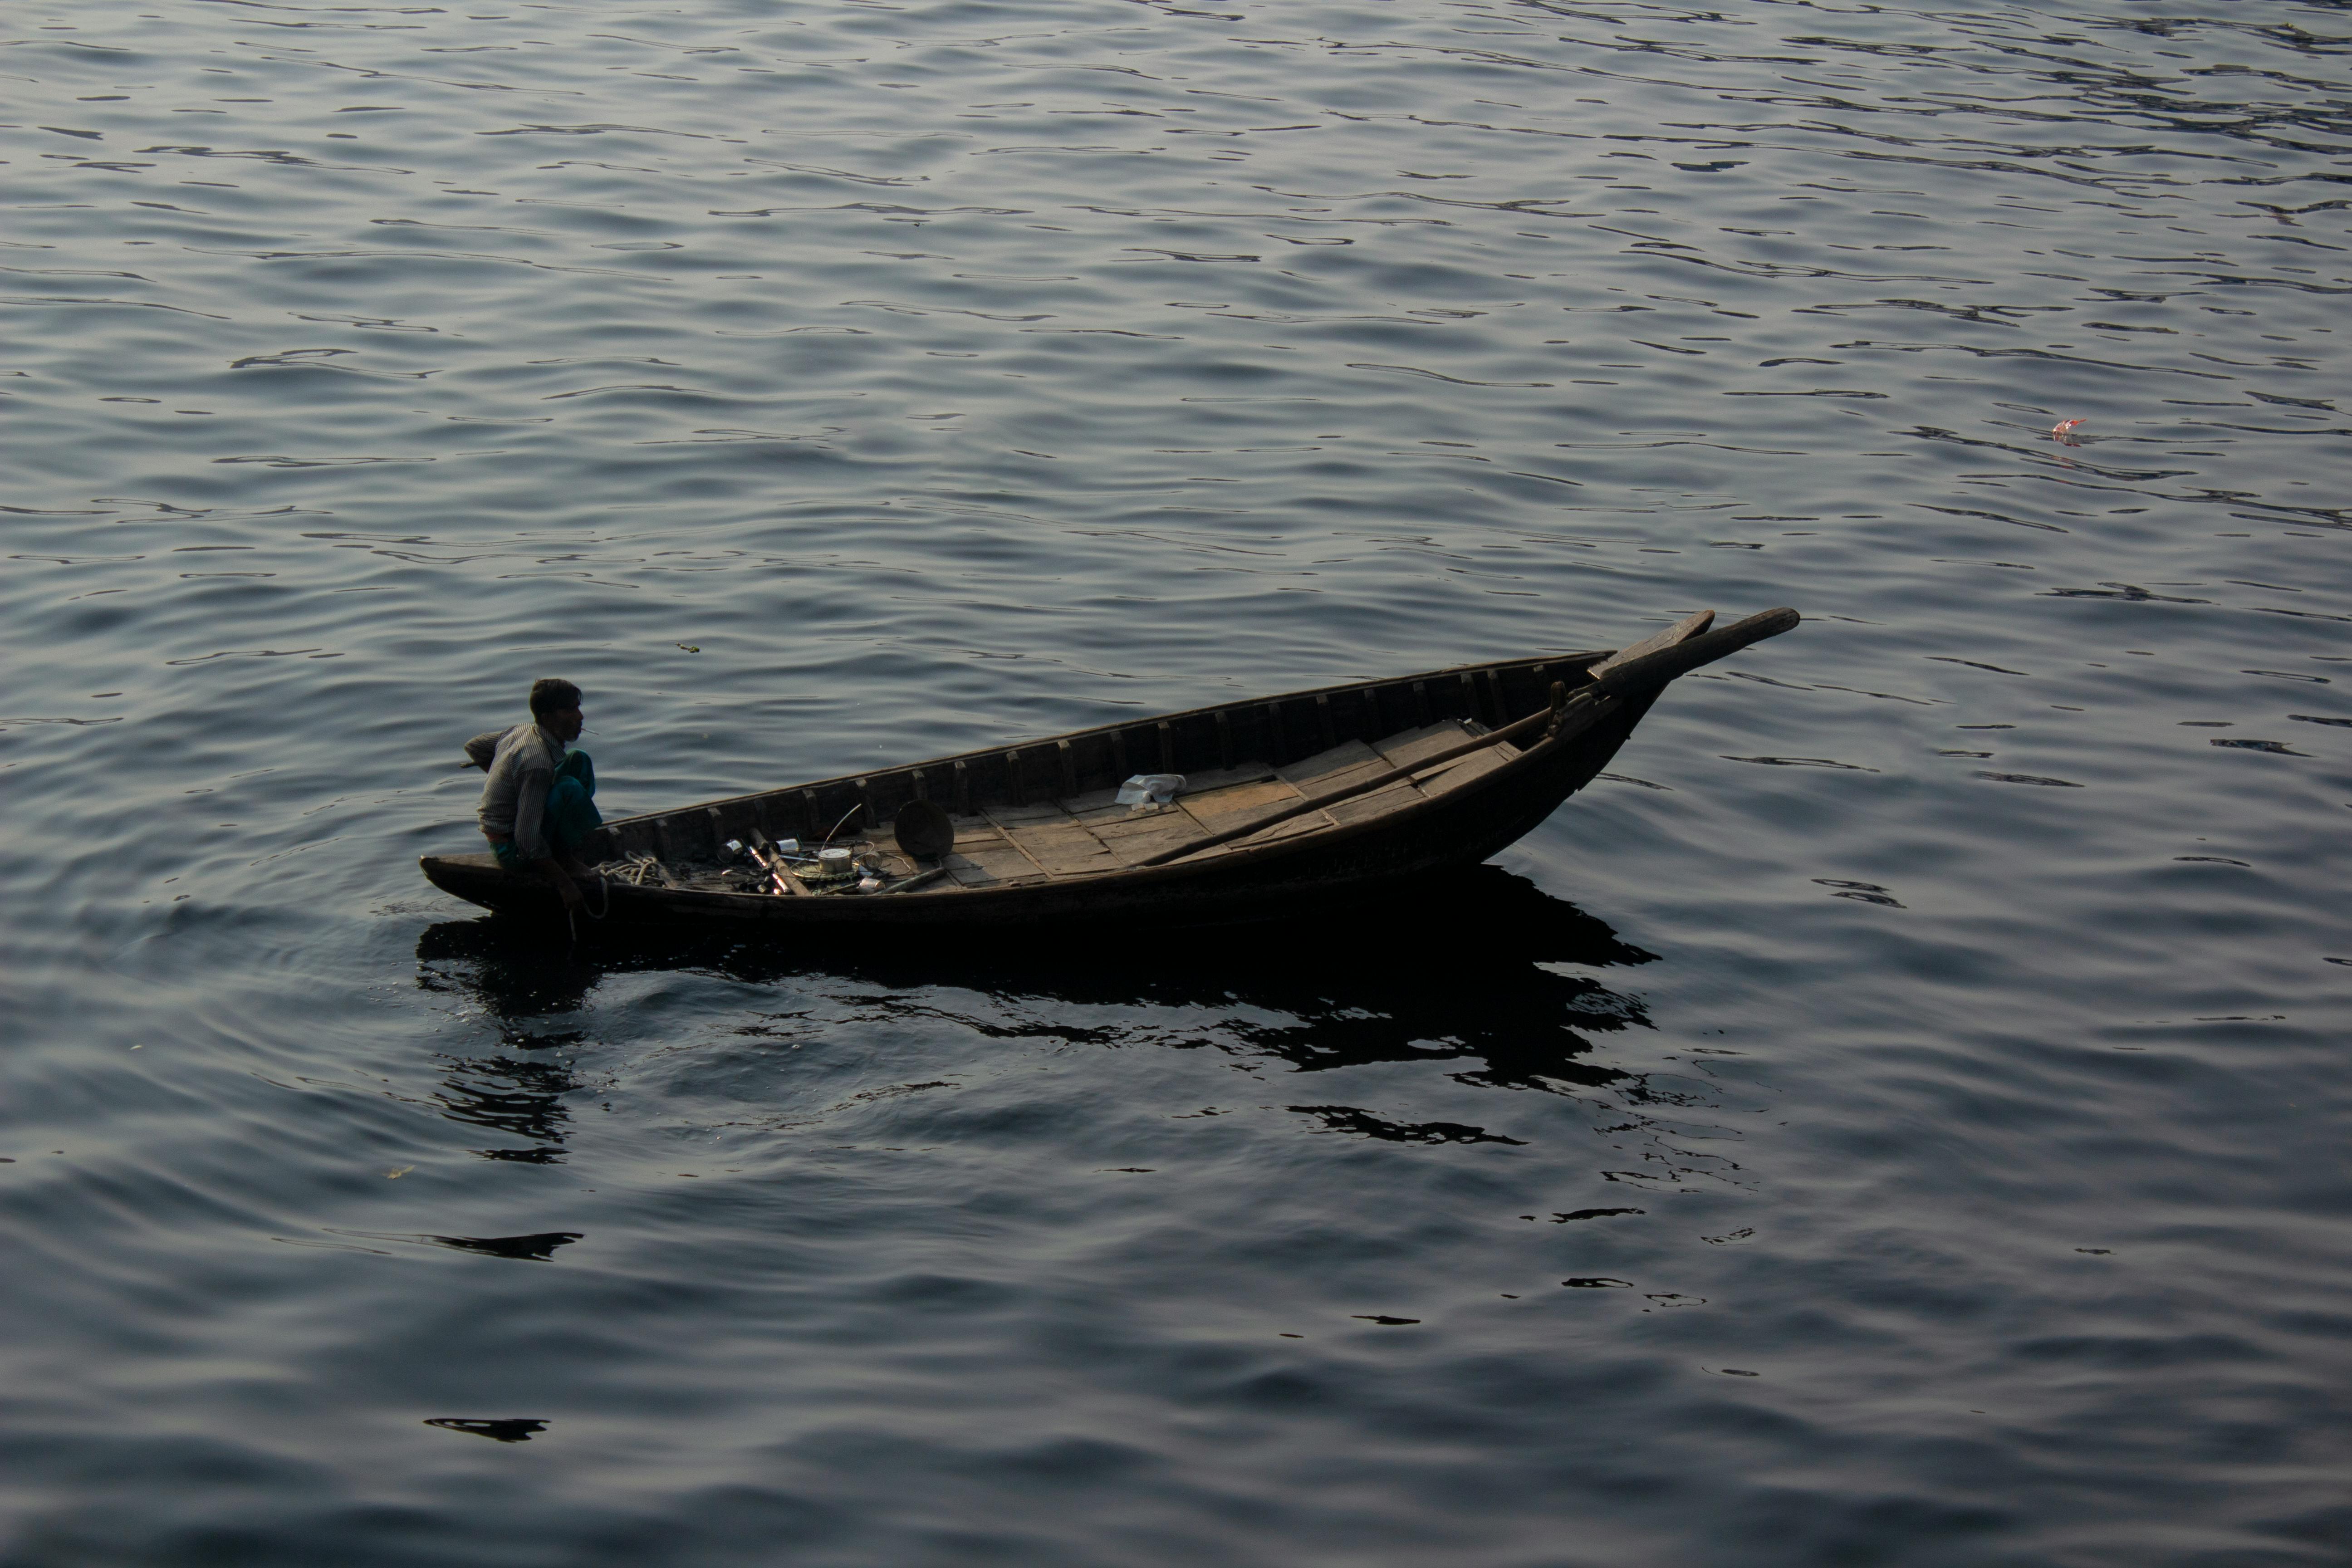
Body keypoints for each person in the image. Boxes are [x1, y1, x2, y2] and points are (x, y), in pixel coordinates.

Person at [472, 677, 603, 912]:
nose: (580, 717)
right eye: (570, 710)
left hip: (520, 828)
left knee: (578, 760)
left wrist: (507, 779)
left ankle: (562, 849)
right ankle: (563, 857)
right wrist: (565, 886)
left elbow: (476, 746)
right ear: (547, 718)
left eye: (578, 708)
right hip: (512, 848)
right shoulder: (537, 764)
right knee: (569, 788)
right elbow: (527, 840)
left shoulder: (522, 729)